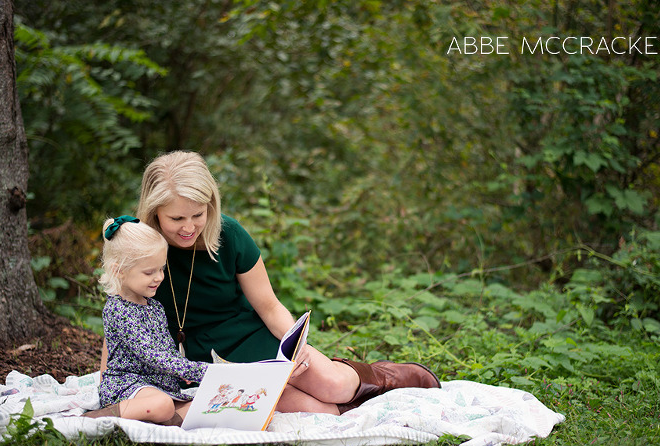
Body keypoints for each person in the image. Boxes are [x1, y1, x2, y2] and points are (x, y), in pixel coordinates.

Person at [102, 150, 440, 415]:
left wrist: (296, 345)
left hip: (250, 338)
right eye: (177, 218)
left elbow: (268, 305)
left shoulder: (229, 235)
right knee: (318, 411)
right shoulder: (140, 249)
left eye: (198, 214)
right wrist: (106, 385)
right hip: (199, 363)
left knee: (333, 385)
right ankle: (359, 401)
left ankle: (385, 376)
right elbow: (118, 318)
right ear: (154, 210)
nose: (189, 227)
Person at [83, 216, 209, 426]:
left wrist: (181, 370)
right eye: (149, 272)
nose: (159, 277)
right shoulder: (119, 309)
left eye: (161, 269)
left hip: (157, 383)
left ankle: (168, 420)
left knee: (202, 401)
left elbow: (166, 350)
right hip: (127, 384)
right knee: (162, 405)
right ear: (118, 271)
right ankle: (94, 418)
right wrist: (193, 370)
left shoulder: (155, 307)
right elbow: (151, 355)